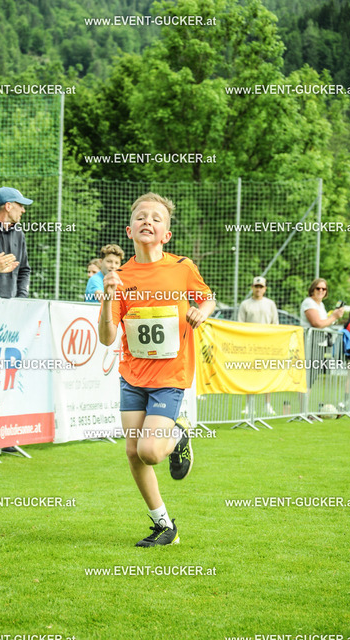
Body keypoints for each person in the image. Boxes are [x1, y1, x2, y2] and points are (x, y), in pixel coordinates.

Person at [98, 192, 215, 547]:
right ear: (129, 229)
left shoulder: (182, 267)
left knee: (149, 451)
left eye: (156, 218)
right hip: (132, 376)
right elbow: (106, 337)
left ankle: (179, 434)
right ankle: (164, 525)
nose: (148, 221)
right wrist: (107, 298)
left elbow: (207, 297)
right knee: (133, 452)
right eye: (141, 217)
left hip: (170, 375)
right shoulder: (120, 277)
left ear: (166, 234)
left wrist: (201, 311)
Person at [238, 276, 279, 415]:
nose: (258, 289)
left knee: (267, 373)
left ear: (265, 289)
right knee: (250, 374)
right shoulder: (245, 304)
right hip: (250, 345)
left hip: (266, 345)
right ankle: (249, 405)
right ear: (252, 287)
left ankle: (267, 404)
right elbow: (240, 324)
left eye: (261, 287)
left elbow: (275, 324)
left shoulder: (270, 304)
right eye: (256, 286)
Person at [300, 278, 344, 392]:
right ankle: (303, 403)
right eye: (318, 288)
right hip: (310, 343)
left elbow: (324, 323)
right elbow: (317, 324)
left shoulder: (321, 305)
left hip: (319, 343)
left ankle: (305, 403)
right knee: (307, 377)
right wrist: (334, 317)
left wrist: (333, 318)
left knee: (311, 378)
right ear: (312, 289)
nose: (321, 291)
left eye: (323, 289)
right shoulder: (309, 302)